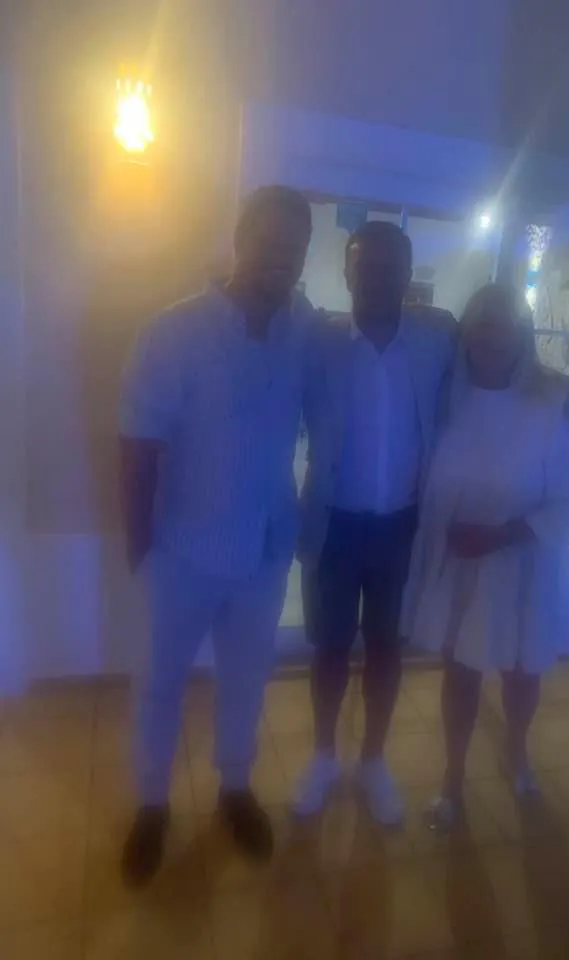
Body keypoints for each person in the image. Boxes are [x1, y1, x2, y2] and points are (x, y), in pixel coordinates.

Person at [118, 185, 313, 883]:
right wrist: (140, 550)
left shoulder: (304, 330)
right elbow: (137, 444)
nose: (281, 254)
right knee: (160, 684)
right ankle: (151, 806)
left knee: (246, 680)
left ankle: (235, 788)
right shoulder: (173, 333)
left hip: (265, 550)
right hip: (182, 551)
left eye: (295, 244)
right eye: (269, 238)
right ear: (240, 238)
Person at [401, 282, 569, 829]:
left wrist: (503, 535)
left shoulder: (554, 399)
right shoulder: (446, 395)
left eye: (505, 322)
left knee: (520, 671)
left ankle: (516, 750)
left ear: (523, 331)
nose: (493, 335)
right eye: (482, 321)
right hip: (460, 561)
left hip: (523, 561)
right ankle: (452, 779)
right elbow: (420, 319)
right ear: (465, 331)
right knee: (460, 673)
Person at [294, 220, 455, 824]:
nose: (379, 278)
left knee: (388, 649)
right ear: (348, 272)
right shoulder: (318, 340)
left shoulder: (437, 340)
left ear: (408, 276)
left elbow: (501, 350)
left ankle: (373, 761)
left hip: (403, 529)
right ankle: (322, 757)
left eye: (392, 268)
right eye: (367, 266)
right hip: (333, 526)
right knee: (329, 649)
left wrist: (555, 385)